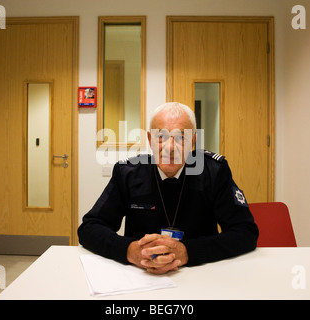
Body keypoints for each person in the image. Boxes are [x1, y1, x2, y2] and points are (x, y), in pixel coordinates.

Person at [78, 102, 258, 274]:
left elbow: (245, 231)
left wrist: (188, 252)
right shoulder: (128, 174)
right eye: (161, 137)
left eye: (181, 138)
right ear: (149, 139)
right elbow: (89, 228)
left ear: (193, 141)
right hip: (141, 276)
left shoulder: (214, 172)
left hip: (201, 275)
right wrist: (129, 250)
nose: (170, 148)